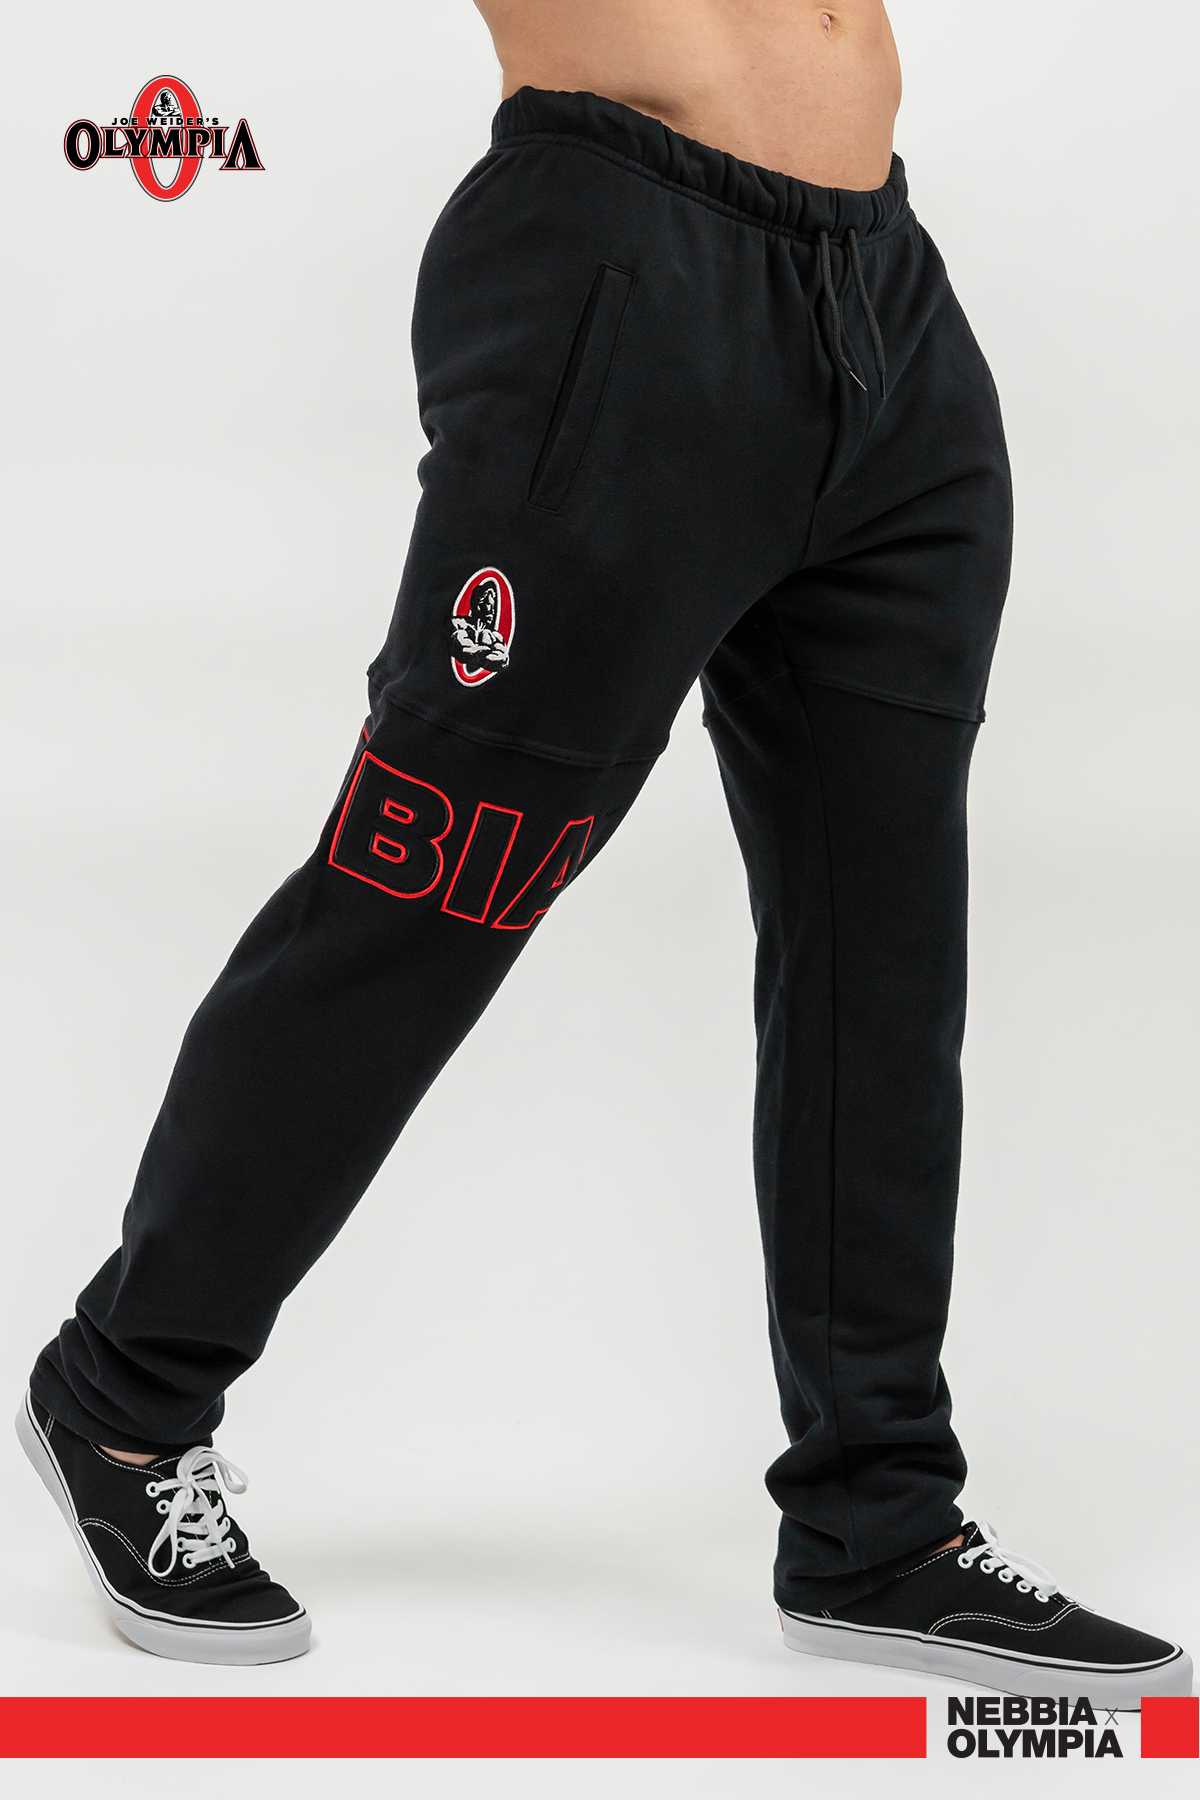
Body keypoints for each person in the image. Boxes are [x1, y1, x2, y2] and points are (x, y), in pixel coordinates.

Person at [18, 1, 1192, 1702]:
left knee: (884, 942)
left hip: (887, 298)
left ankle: (877, 1521)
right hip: (619, 274)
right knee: (436, 878)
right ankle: (125, 1396)